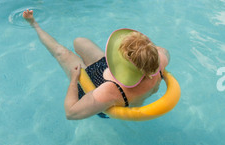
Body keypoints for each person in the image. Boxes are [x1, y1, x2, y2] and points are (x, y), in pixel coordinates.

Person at [23, 9, 170, 120]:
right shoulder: (160, 59)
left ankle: (34, 25)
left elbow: (71, 113)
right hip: (113, 70)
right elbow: (158, 51)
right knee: (79, 41)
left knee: (61, 53)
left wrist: (74, 79)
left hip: (94, 88)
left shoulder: (110, 91)